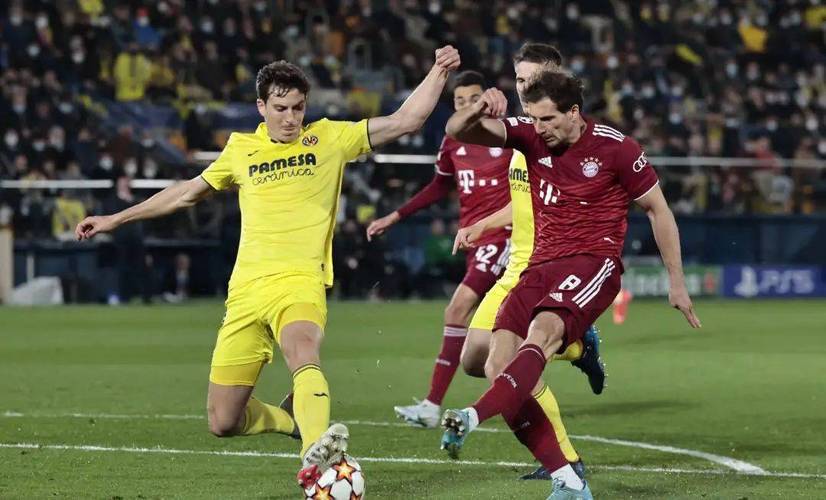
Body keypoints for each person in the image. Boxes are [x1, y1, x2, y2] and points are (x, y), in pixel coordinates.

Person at [75, 46, 461, 491]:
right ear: (261, 106)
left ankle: (317, 461)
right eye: (280, 108)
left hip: (300, 281)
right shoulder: (240, 149)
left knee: (302, 351)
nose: (290, 118)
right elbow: (185, 193)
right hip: (245, 292)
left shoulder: (330, 138)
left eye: (298, 108)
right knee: (223, 420)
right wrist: (116, 218)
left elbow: (405, 120)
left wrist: (439, 70)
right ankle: (293, 421)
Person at [440, 71, 701, 499]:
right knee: (495, 365)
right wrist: (478, 108)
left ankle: (471, 416)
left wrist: (677, 281)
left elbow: (658, 209)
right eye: (534, 119)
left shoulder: (617, 148)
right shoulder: (530, 136)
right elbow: (456, 130)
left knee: (541, 335)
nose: (540, 128)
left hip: (593, 263)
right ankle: (568, 478)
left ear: (574, 112)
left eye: (548, 119)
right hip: (539, 265)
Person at [451, 43, 605, 481]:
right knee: (473, 359)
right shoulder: (525, 133)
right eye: (519, 80)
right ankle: (578, 348)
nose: (523, 88)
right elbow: (525, 201)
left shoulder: (565, 136)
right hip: (517, 264)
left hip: (548, 266)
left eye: (533, 80)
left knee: (509, 364)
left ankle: (565, 460)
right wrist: (484, 223)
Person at [367, 70, 515, 428]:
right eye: (460, 101)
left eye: (474, 99)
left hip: (504, 238)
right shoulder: (452, 143)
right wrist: (396, 216)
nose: (467, 106)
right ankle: (574, 348)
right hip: (474, 243)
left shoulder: (508, 135)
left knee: (457, 309)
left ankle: (432, 406)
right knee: (499, 332)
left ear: (487, 98)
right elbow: (438, 187)